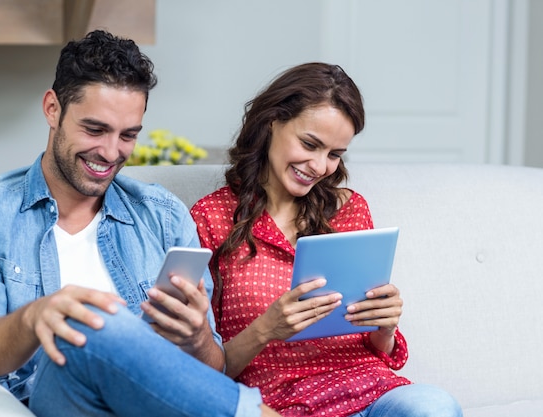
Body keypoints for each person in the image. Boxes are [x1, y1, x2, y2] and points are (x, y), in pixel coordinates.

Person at [0, 30, 280, 417]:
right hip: (60, 401)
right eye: (94, 130)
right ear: (52, 109)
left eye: (128, 135)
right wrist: (36, 316)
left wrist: (197, 337)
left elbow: (208, 373)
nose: (111, 153)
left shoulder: (162, 216)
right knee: (88, 324)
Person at [190, 63, 463, 417]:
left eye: (334, 155)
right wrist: (265, 330)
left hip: (370, 391)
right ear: (272, 122)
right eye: (310, 144)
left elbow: (376, 343)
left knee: (435, 407)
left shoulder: (349, 210)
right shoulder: (212, 218)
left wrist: (386, 324)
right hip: (278, 403)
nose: (320, 167)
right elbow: (203, 371)